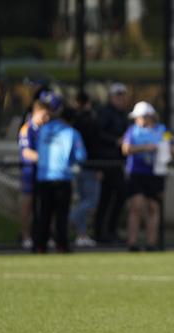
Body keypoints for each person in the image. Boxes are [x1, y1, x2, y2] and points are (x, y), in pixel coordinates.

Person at [33, 92, 87, 253]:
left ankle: (40, 245)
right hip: (62, 177)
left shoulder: (43, 130)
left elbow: (38, 150)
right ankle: (61, 245)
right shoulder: (71, 133)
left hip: (43, 177)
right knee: (61, 215)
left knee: (43, 214)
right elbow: (81, 156)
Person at [121, 101, 174, 252]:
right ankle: (132, 242)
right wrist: (144, 148)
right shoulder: (132, 131)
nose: (137, 120)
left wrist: (164, 149)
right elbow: (125, 149)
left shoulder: (162, 130)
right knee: (136, 206)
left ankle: (151, 243)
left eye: (139, 117)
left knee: (153, 207)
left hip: (156, 173)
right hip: (137, 172)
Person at [95, 82, 129, 243]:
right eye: (118, 96)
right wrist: (116, 141)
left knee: (116, 196)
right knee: (107, 197)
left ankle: (109, 230)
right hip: (107, 161)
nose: (121, 99)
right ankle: (102, 231)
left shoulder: (123, 115)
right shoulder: (105, 113)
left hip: (117, 161)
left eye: (123, 96)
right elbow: (98, 134)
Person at [17, 95, 52, 249]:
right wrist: (48, 158)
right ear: (36, 112)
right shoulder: (27, 129)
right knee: (28, 204)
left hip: (44, 173)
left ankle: (45, 235)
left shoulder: (46, 129)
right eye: (44, 114)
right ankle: (25, 236)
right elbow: (26, 153)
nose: (47, 118)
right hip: (30, 172)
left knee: (46, 205)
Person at [69, 92, 102, 247]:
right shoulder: (91, 121)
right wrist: (98, 167)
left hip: (78, 166)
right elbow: (95, 146)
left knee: (84, 199)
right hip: (88, 166)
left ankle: (81, 235)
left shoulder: (75, 122)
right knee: (91, 201)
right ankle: (72, 217)